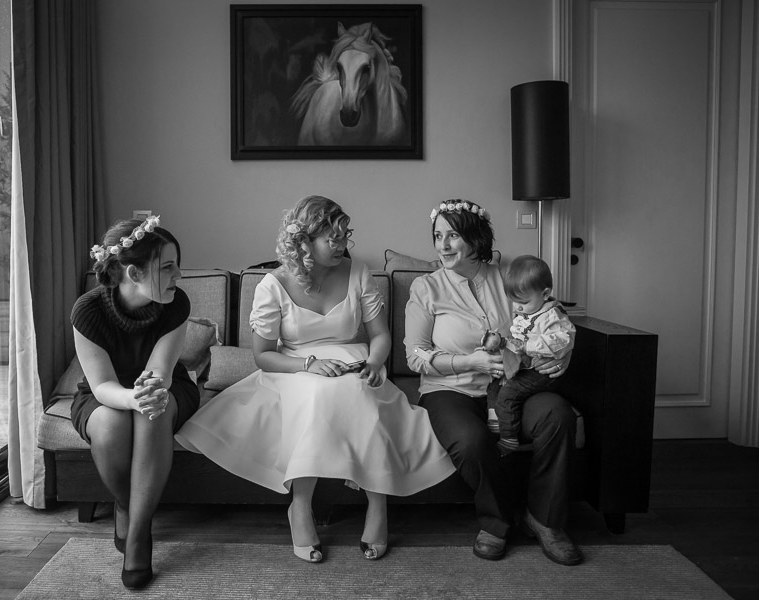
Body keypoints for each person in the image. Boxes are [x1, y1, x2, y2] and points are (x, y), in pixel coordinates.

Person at [176, 195, 455, 563]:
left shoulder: (358, 272)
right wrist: (308, 364)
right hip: (292, 367)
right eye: (332, 239)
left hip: (354, 359)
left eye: (345, 237)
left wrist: (373, 362)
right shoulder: (271, 285)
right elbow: (263, 355)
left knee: (358, 391)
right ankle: (301, 506)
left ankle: (378, 504)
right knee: (317, 395)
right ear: (304, 242)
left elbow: (381, 336)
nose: (342, 246)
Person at [404, 199, 583, 566]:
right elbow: (415, 356)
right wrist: (468, 360)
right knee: (471, 441)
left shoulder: (505, 278)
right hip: (448, 390)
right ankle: (496, 522)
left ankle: (545, 520)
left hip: (510, 385)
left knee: (557, 416)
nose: (443, 245)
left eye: (453, 235)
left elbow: (549, 315)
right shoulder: (426, 288)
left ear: (475, 237)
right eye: (438, 236)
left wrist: (563, 353)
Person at [70, 216, 200, 588]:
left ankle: (139, 533)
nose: (179, 275)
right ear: (134, 273)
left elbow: (160, 371)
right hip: (107, 393)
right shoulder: (87, 311)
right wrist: (130, 398)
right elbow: (102, 384)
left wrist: (146, 395)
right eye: (169, 267)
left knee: (153, 414)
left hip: (165, 386)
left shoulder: (176, 304)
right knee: (111, 423)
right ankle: (126, 504)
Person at [482, 255, 575, 456]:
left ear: (545, 293)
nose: (517, 308)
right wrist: (502, 342)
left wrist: (526, 346)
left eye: (522, 302)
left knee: (509, 393)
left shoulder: (553, 316)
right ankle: (496, 421)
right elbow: (517, 338)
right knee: (494, 384)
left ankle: (508, 438)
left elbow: (563, 340)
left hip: (540, 371)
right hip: (524, 364)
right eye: (513, 302)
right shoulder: (530, 310)